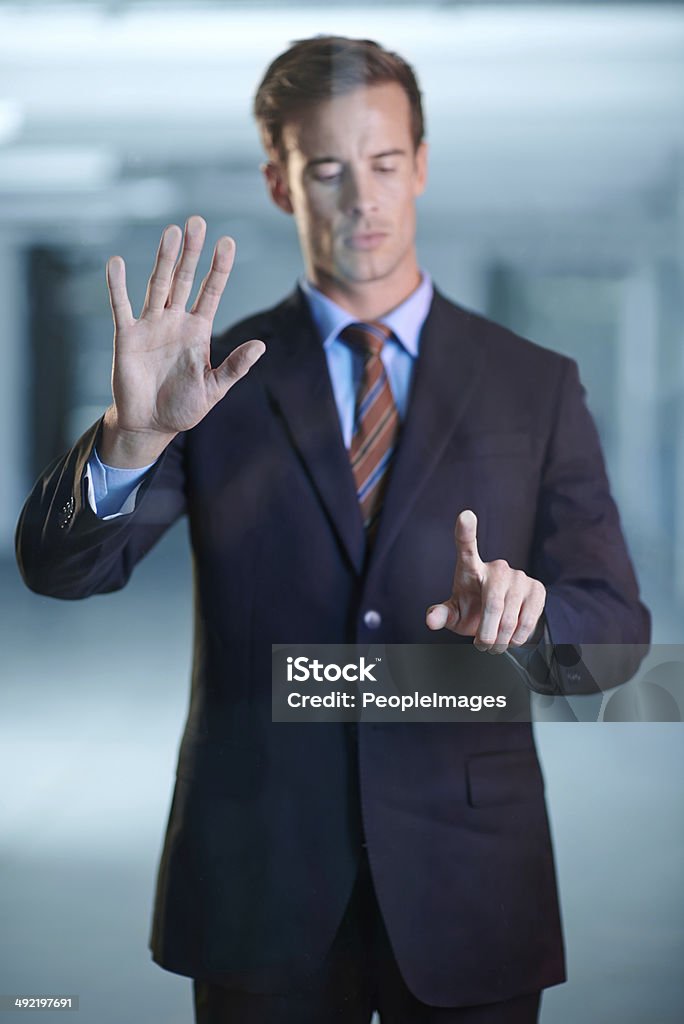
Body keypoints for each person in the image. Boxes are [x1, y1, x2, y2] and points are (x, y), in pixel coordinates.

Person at [16, 35, 650, 1024]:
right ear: (280, 183)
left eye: (386, 162)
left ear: (423, 165)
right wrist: (129, 440)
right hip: (257, 872)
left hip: (470, 878)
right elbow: (61, 572)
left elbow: (616, 631)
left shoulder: (537, 383)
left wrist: (533, 618)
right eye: (326, 168)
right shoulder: (207, 386)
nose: (362, 195)